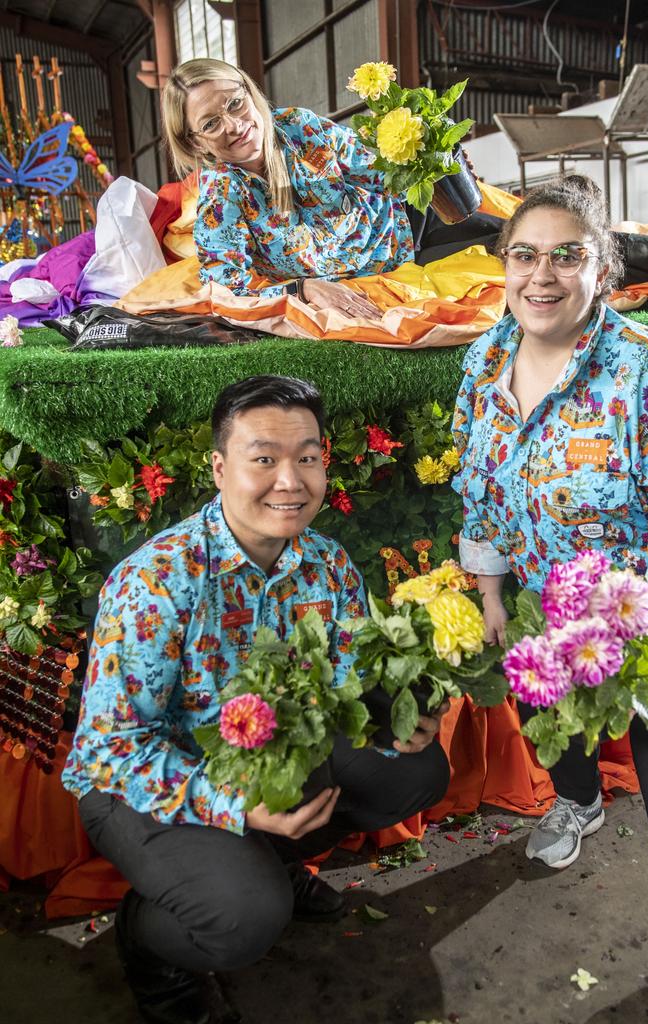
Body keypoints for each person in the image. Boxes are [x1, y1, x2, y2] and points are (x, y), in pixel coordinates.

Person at [451, 175, 648, 1024]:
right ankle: (578, 801)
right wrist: (490, 591)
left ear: (605, 271)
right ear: (504, 265)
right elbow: (480, 491)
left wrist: (627, 642)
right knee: (537, 687)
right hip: (556, 590)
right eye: (525, 255)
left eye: (568, 256)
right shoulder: (482, 362)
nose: (542, 276)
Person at [62, 375, 450, 1024]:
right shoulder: (158, 582)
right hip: (142, 780)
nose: (290, 480)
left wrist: (401, 720)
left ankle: (277, 857)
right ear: (219, 468)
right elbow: (111, 750)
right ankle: (150, 944)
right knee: (247, 917)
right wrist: (236, 808)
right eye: (264, 458)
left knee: (414, 770)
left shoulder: (327, 564)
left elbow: (351, 683)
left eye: (307, 457)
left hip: (273, 756)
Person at [160, 58, 648, 317]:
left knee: (521, 229)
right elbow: (226, 282)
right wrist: (306, 286)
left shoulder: (299, 127)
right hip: (395, 263)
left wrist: (429, 157)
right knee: (516, 245)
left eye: (235, 105)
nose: (233, 125)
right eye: (211, 122)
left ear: (250, 95)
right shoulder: (220, 196)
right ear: (196, 140)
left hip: (403, 223)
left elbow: (377, 171)